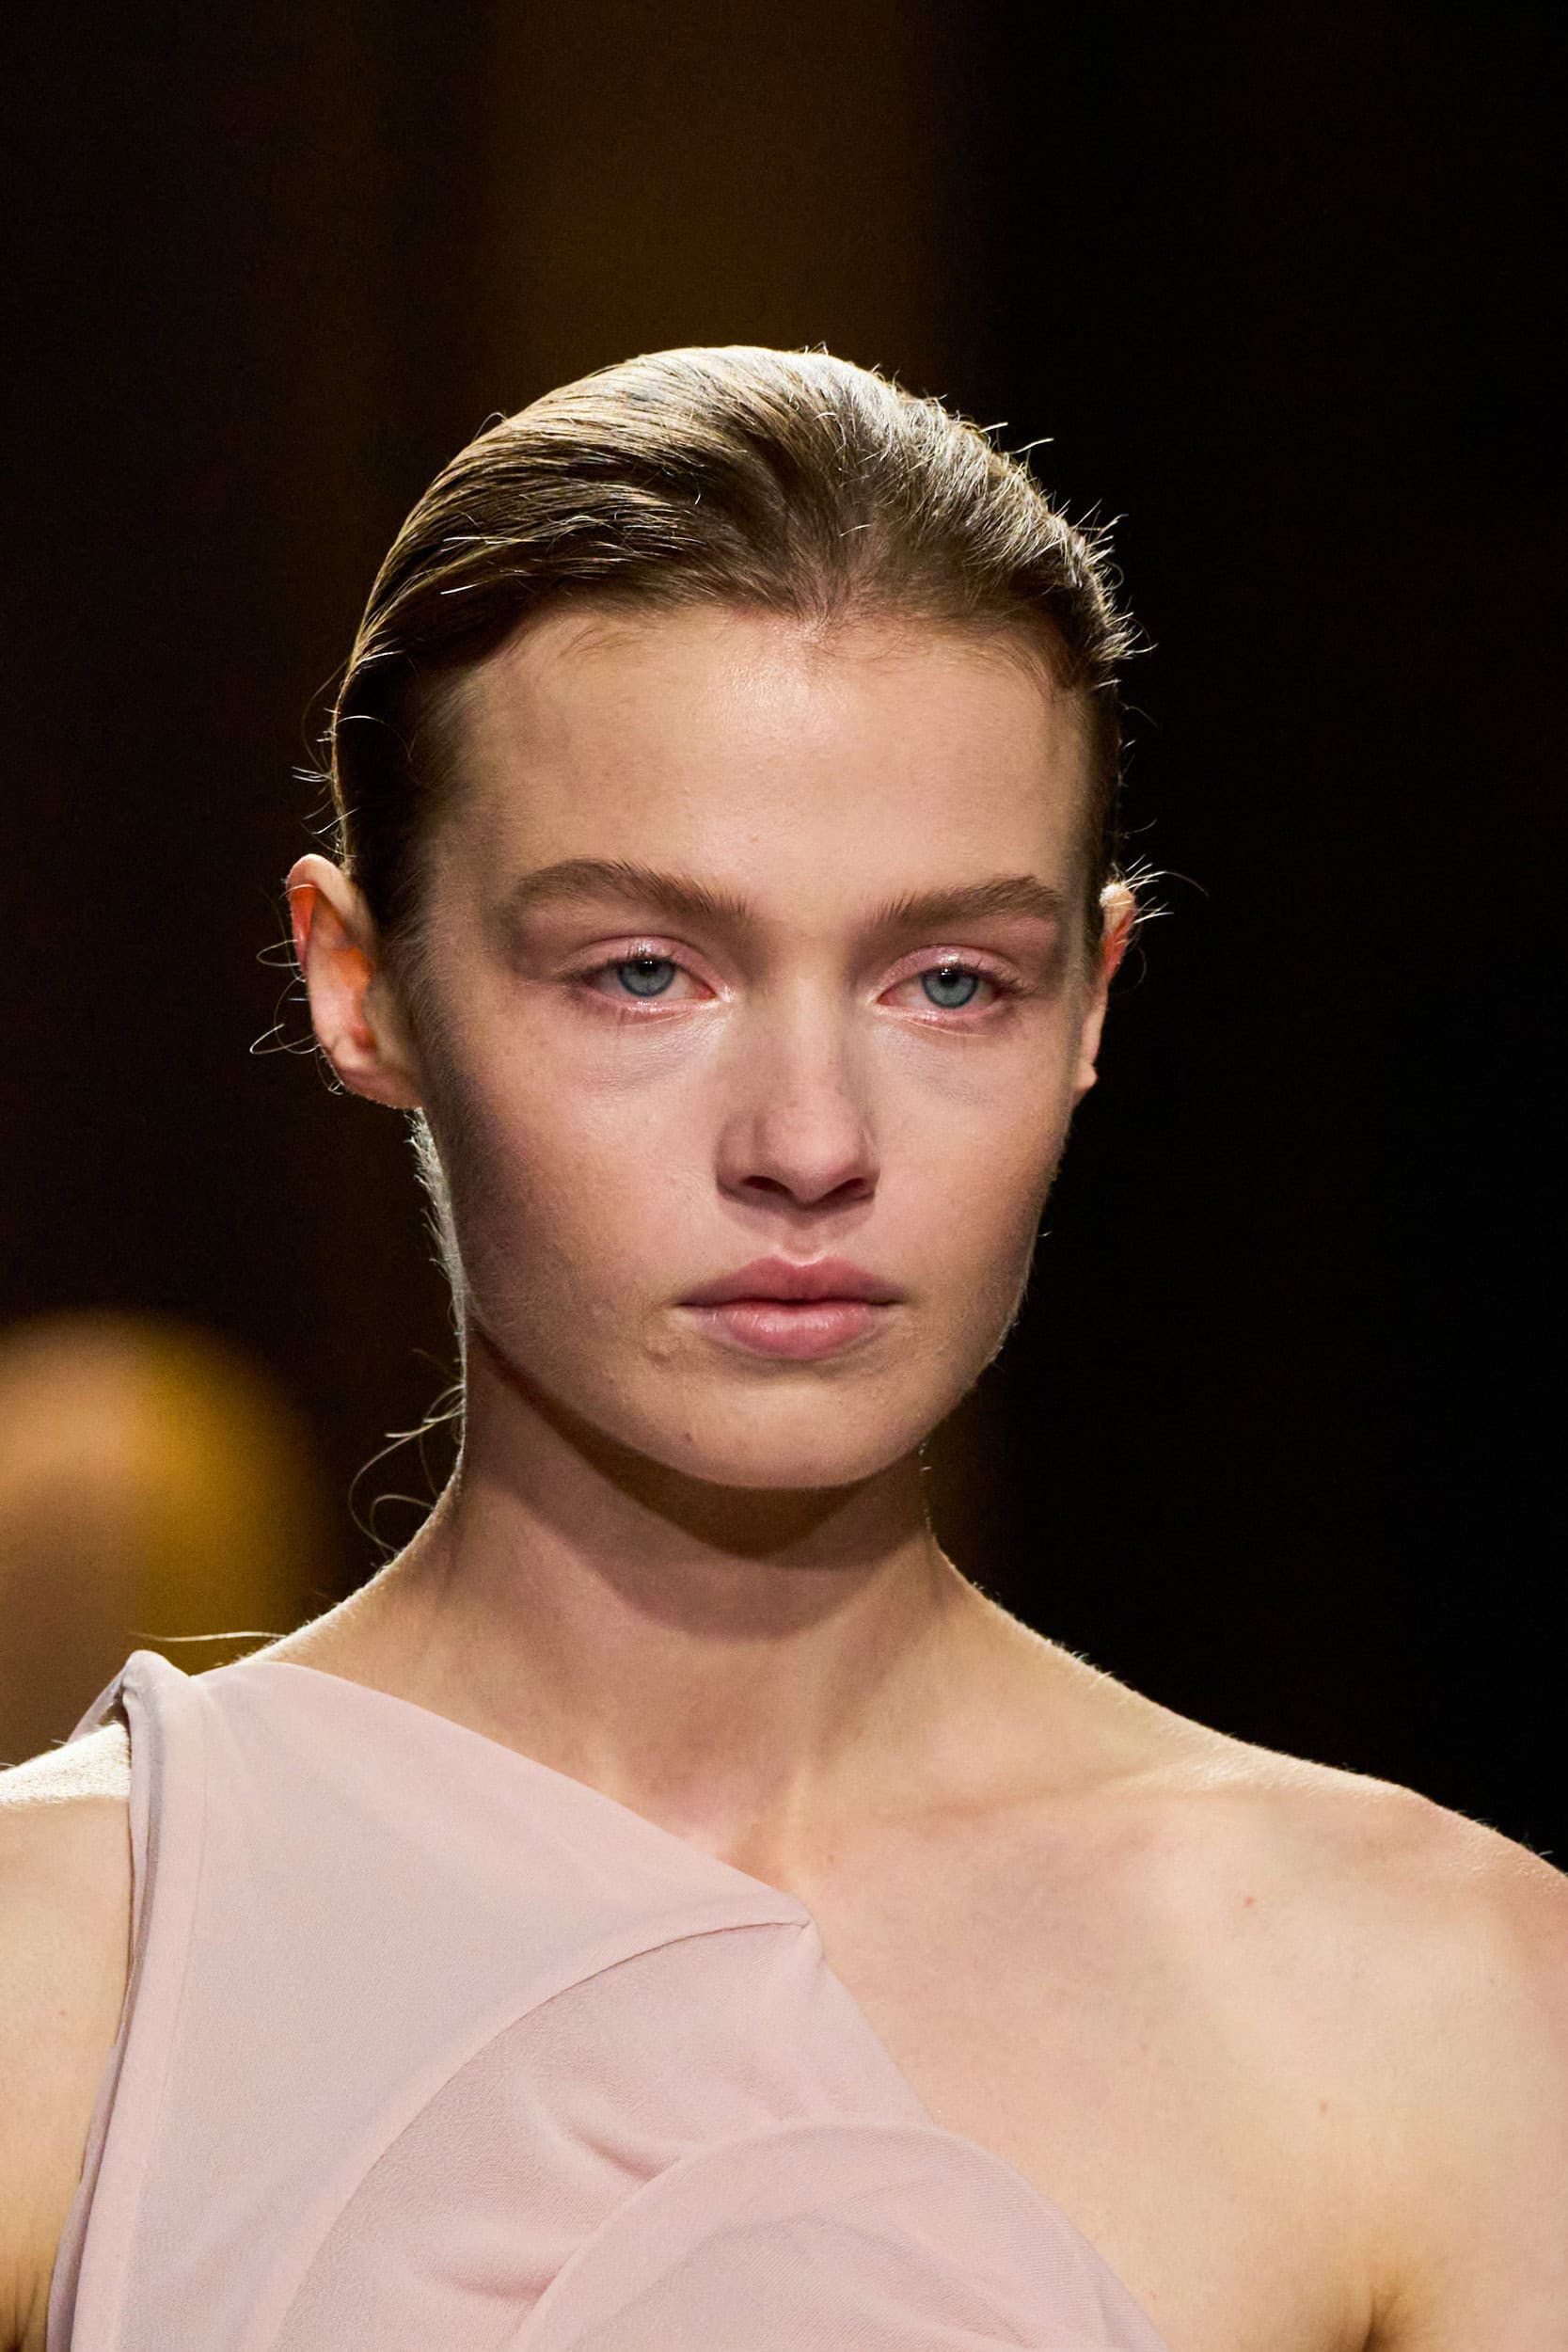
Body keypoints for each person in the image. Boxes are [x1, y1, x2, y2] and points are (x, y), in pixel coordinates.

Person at [2, 347, 1564, 2352]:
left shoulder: (1433, 2005)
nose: (811, 1142)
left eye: (950, 982)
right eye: (644, 971)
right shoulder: (64, 1973)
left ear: (1094, 1003)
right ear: (361, 980)